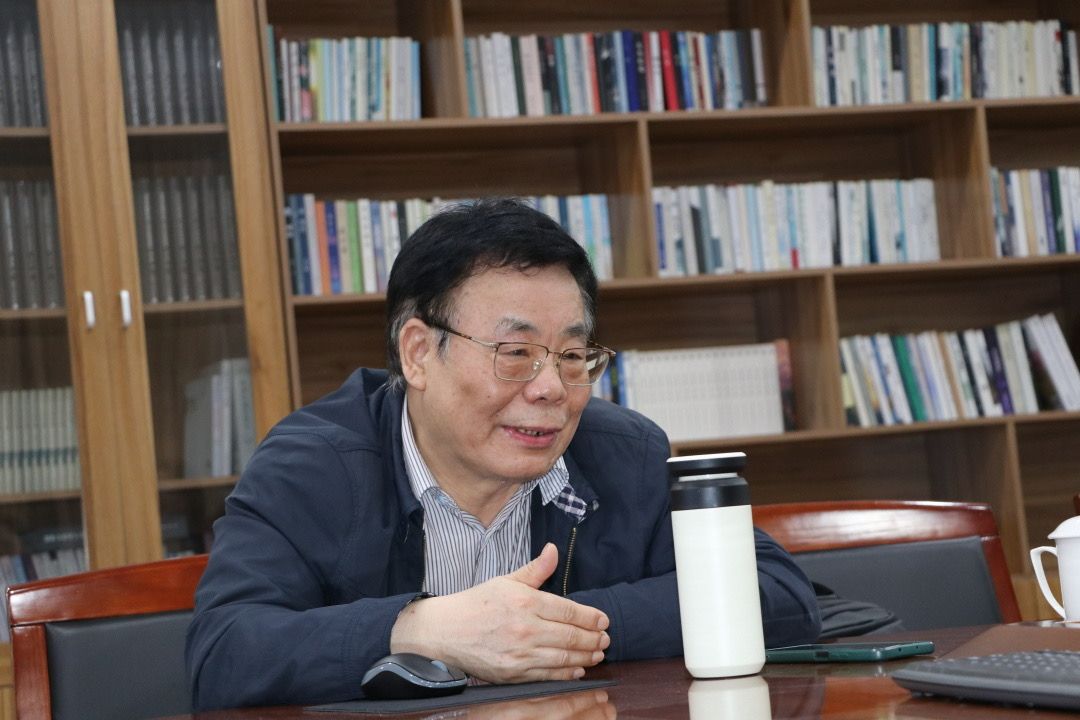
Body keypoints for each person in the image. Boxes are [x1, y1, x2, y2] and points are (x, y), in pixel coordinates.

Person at [186, 198, 821, 710]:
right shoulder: (312, 467)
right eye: (515, 354)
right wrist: (424, 631)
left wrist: (551, 630)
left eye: (572, 356)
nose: (551, 389)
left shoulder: (623, 453)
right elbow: (224, 655)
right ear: (418, 354)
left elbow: (779, 594)